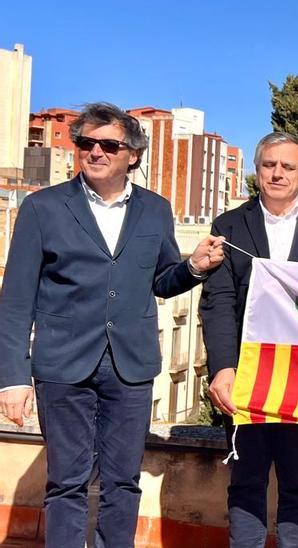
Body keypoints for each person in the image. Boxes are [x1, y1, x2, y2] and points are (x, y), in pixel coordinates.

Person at [0, 102, 224, 547]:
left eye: (108, 144)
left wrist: (193, 268)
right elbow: (15, 300)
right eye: (85, 142)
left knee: (123, 483)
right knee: (67, 483)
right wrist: (12, 378)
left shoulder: (155, 210)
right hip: (62, 366)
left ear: (133, 155)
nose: (95, 152)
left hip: (131, 366)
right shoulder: (43, 208)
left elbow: (161, 281)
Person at [199, 131, 298, 547]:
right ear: (257, 170)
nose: (277, 173)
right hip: (248, 373)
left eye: (288, 166)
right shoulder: (229, 226)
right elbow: (218, 302)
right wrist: (223, 369)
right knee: (247, 480)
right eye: (269, 165)